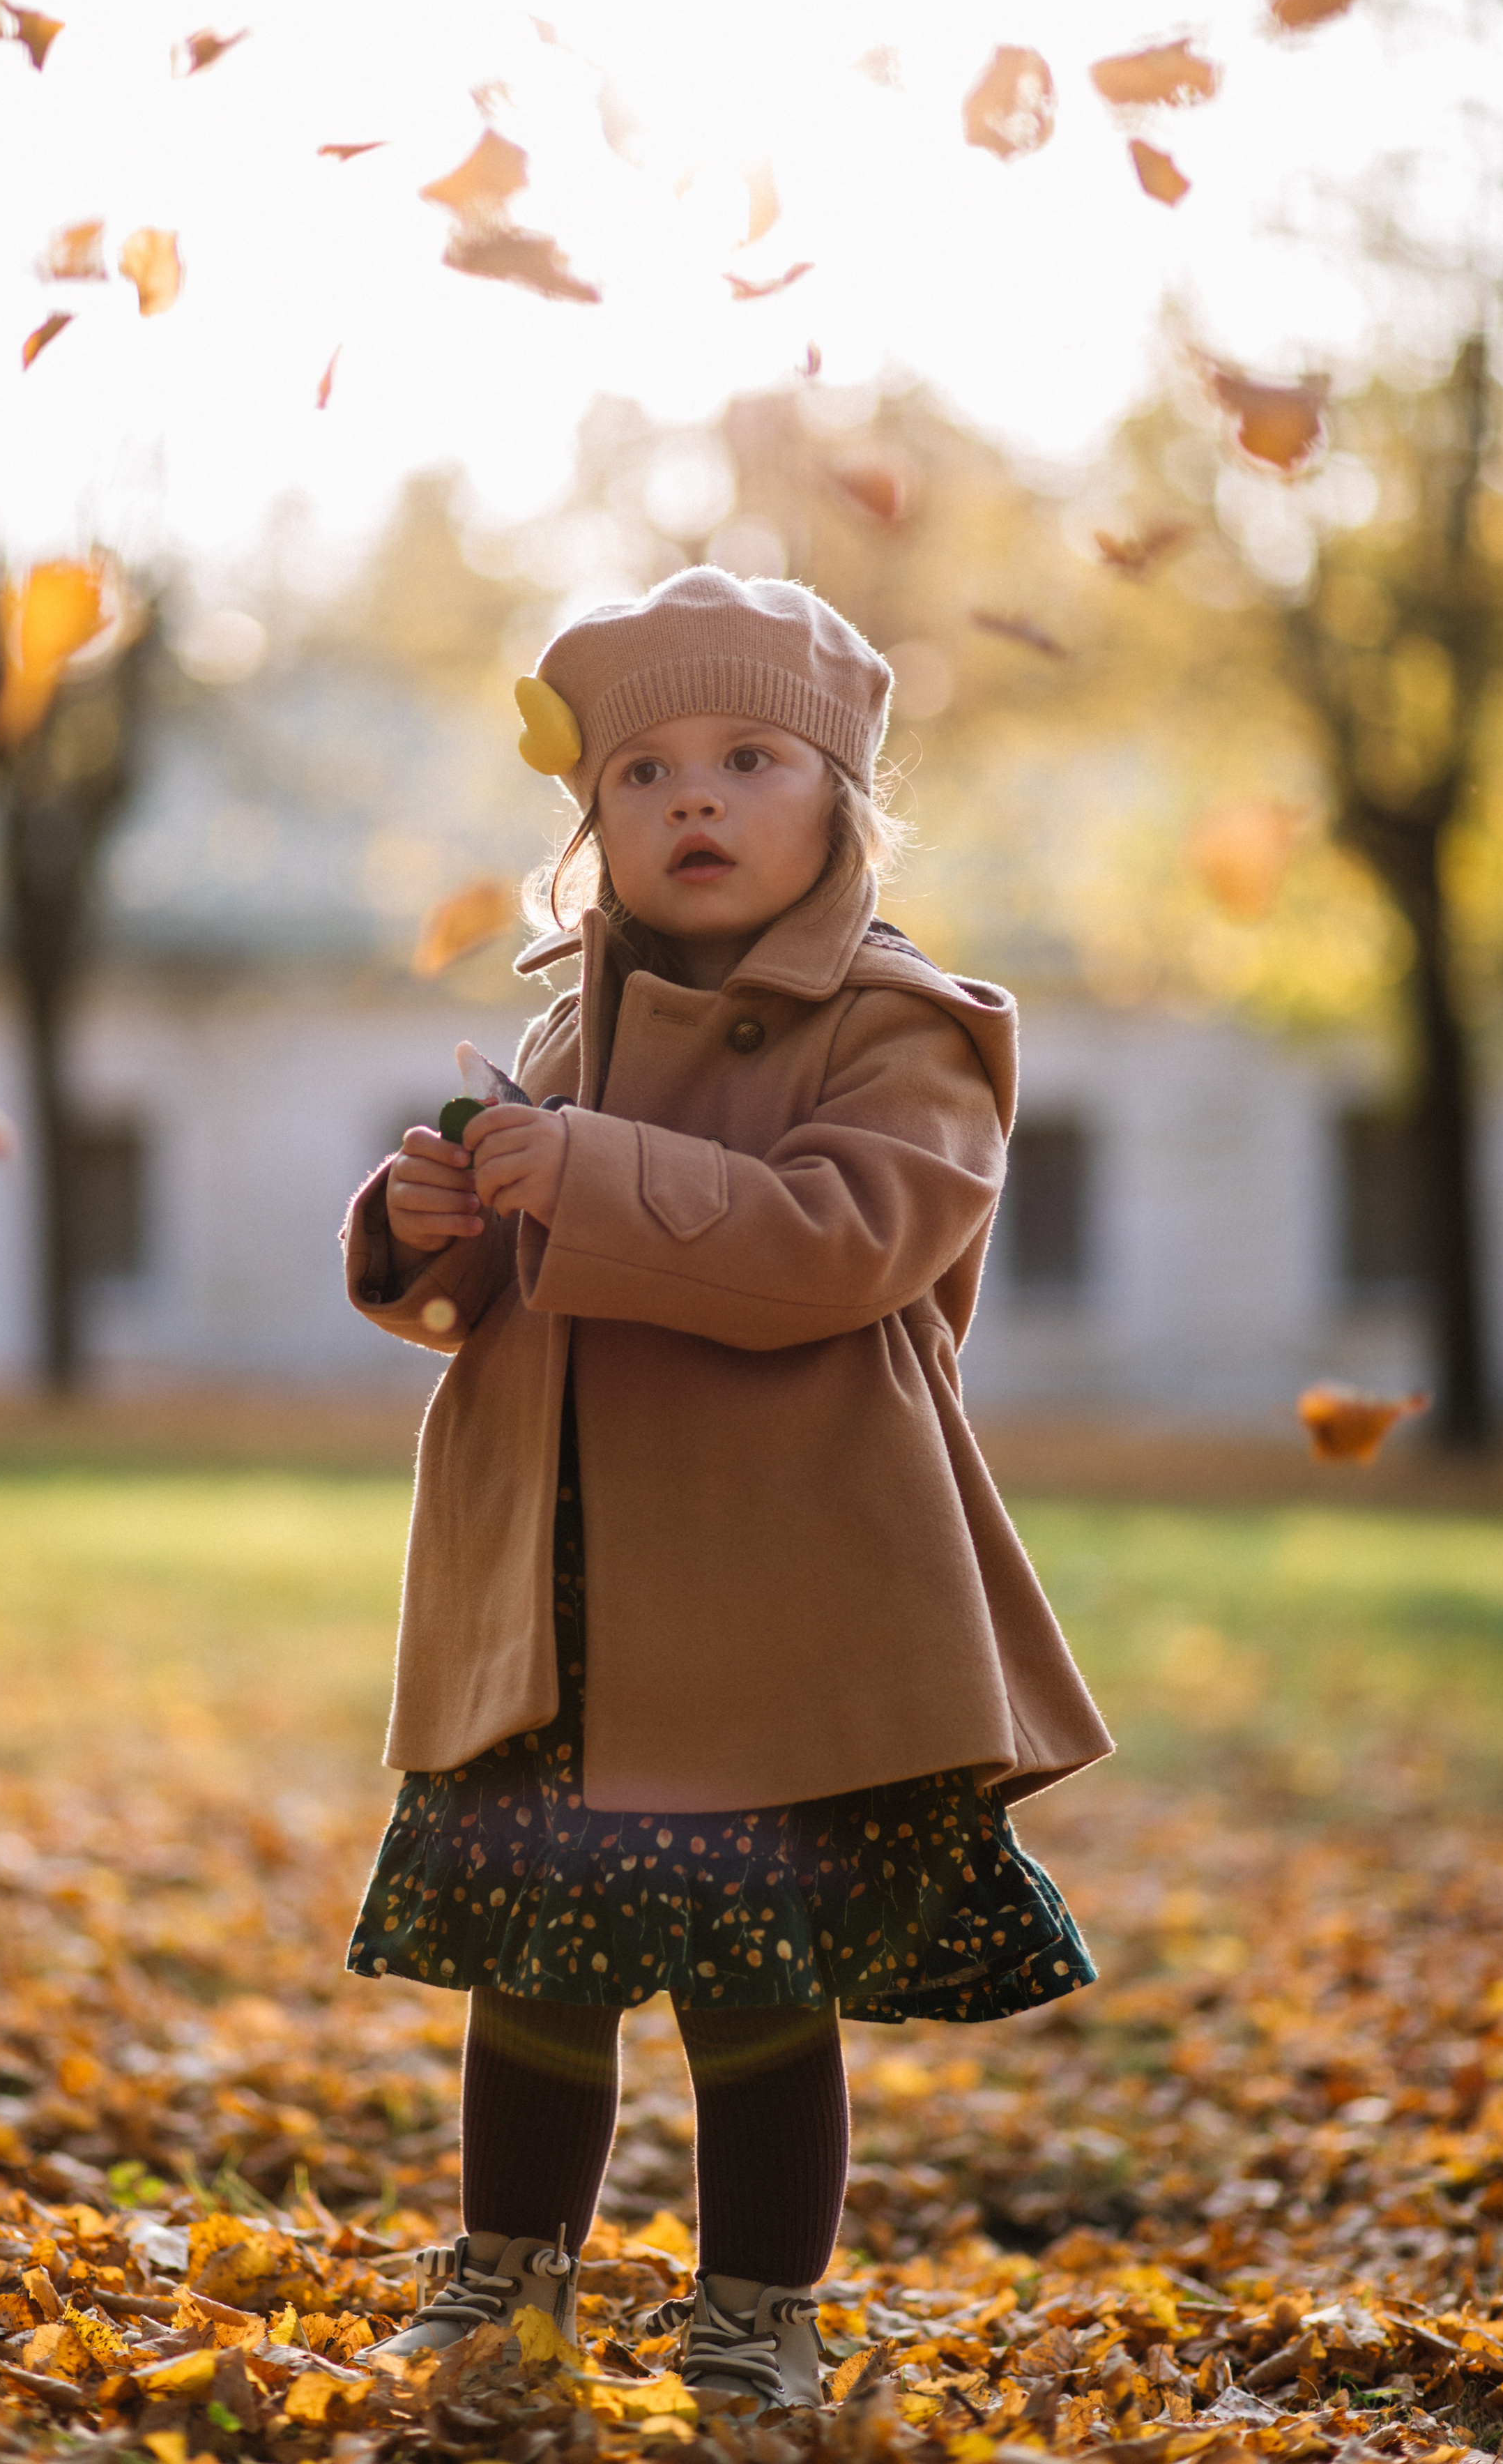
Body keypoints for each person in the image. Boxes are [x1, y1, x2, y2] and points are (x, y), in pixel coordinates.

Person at [339, 566, 1111, 2410]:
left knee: (756, 1978)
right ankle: (506, 2286)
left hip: (773, 1602)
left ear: (841, 803)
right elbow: (501, 1308)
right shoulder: (565, 1037)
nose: (694, 798)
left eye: (749, 759)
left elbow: (839, 1247)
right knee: (537, 1959)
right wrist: (433, 1222)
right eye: (644, 772)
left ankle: (758, 2314)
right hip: (567, 1593)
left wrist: (583, 1176)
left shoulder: (903, 1030)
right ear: (593, 826)